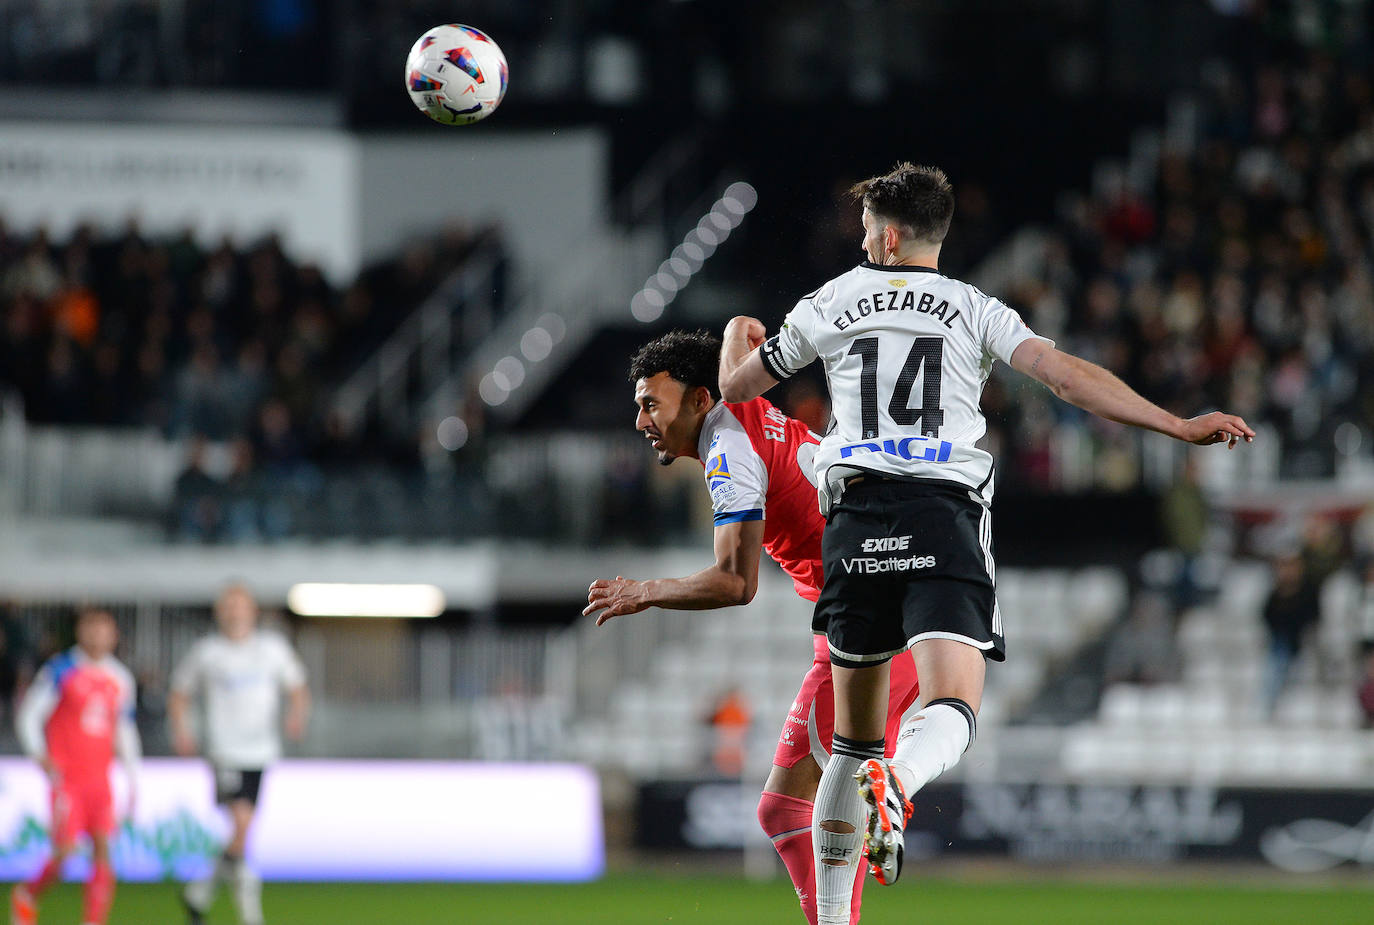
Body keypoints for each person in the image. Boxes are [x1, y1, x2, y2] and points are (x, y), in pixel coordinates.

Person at [717, 162, 1254, 924]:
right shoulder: (974, 307)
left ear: (891, 235)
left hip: (855, 522)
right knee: (954, 700)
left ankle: (835, 916)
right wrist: (1174, 423)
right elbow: (1064, 377)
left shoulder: (830, 300)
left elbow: (740, 392)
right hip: (942, 513)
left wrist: (738, 345)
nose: (863, 239)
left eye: (868, 228)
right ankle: (900, 778)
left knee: (847, 743)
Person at [584, 329, 920, 925]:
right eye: (638, 404)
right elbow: (740, 327)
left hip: (874, 621)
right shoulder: (741, 398)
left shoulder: (726, 447)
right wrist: (744, 333)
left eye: (650, 404)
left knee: (804, 808)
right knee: (786, 809)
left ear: (697, 400)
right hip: (874, 606)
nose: (641, 420)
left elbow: (737, 583)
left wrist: (646, 592)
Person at [169, 584, 310, 925]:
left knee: (242, 832)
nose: (234, 611)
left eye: (240, 604)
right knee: (242, 824)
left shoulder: (271, 649)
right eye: (228, 605)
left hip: (260, 752)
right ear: (220, 611)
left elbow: (298, 687)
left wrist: (296, 714)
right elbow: (179, 692)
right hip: (224, 751)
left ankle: (199, 893)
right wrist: (183, 730)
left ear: (252, 610)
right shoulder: (207, 651)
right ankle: (250, 914)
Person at [12, 608, 141, 925]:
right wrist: (38, 752)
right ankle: (27, 894)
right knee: (66, 850)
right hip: (67, 777)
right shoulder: (61, 669)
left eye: (104, 629)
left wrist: (133, 778)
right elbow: (29, 714)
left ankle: (93, 921)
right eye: (91, 627)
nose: (97, 635)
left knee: (102, 847)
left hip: (101, 778)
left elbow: (124, 731)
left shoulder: (120, 677)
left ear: (114, 635)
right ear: (81, 631)